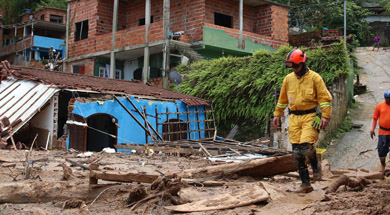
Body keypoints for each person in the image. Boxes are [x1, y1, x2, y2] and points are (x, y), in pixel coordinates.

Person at [273, 48, 333, 193]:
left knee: (306, 146)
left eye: (296, 66)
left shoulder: (315, 78)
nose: (294, 69)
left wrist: (325, 116)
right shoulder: (288, 79)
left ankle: (315, 165)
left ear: (303, 63)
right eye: (292, 66)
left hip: (310, 116)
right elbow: (282, 100)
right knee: (296, 153)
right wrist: (277, 114)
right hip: (294, 117)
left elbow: (325, 100)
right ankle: (305, 183)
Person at [370, 90, 390, 173]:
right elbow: (375, 118)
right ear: (384, 98)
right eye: (386, 98)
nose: (388, 100)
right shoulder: (380, 106)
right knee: (381, 150)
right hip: (383, 132)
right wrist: (372, 129)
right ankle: (383, 164)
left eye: (389, 98)